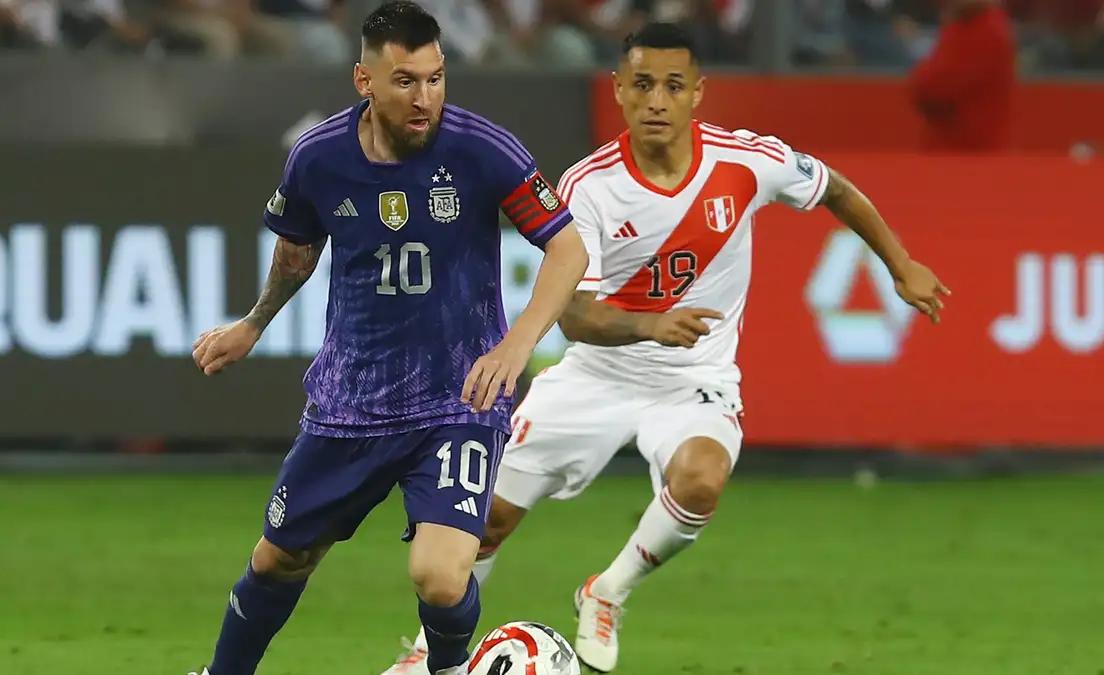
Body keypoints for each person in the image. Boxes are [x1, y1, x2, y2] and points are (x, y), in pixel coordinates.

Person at [384, 22, 950, 674]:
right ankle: (427, 654)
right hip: (595, 375)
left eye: (673, 86)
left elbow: (836, 190)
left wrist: (900, 265)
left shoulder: (746, 162)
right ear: (620, 90)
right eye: (643, 84)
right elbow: (576, 317)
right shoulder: (589, 187)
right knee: (486, 522)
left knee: (702, 478)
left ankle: (607, 591)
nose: (657, 100)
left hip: (693, 379)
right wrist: (649, 325)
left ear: (697, 93)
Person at [187, 2, 588, 674]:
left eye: (435, 78)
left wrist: (516, 344)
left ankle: (447, 668)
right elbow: (296, 252)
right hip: (352, 400)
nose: (424, 97)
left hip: (458, 397)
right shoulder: (318, 158)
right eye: (405, 81)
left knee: (440, 576)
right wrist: (254, 322)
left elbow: (567, 248)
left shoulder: (482, 148)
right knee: (281, 557)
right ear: (364, 80)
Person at [910, 0, 1016, 152]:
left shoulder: (986, 29)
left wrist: (920, 79)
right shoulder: (962, 24)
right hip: (951, 149)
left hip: (973, 154)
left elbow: (930, 86)